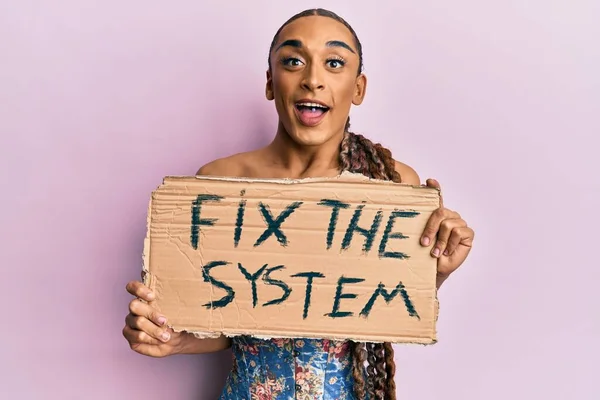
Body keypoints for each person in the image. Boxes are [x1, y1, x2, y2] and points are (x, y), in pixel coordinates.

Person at [123, 8, 475, 400]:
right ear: (272, 82)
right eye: (293, 61)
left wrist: (434, 273)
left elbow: (385, 304)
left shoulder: (390, 187)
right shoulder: (221, 183)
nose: (312, 79)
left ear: (357, 89)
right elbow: (224, 321)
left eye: (334, 63)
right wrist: (170, 338)